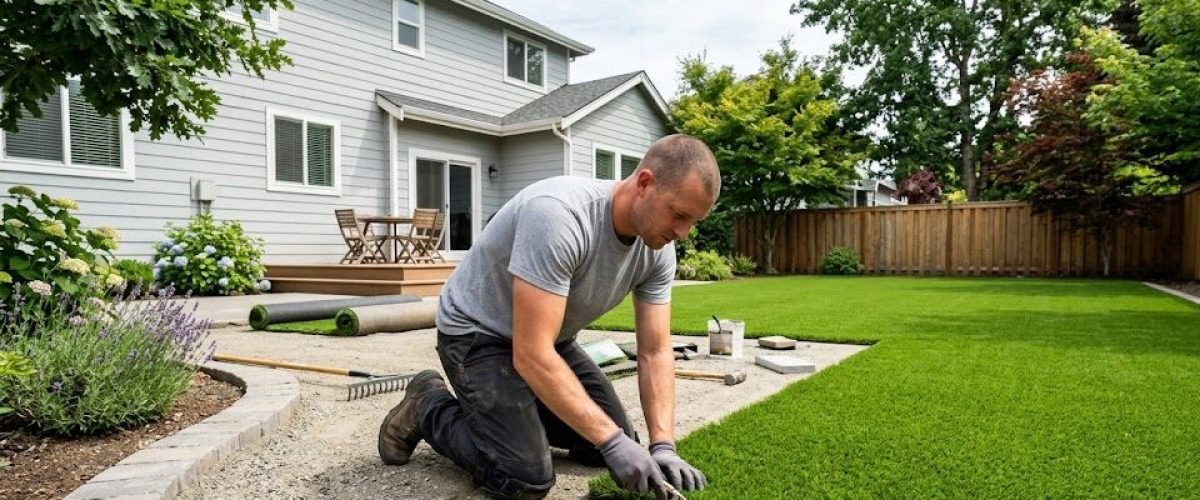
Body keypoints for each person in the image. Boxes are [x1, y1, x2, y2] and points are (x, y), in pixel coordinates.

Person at [377, 134, 721, 499]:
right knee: (524, 477)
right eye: (679, 215)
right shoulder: (558, 215)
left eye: (692, 221)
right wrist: (610, 438)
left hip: (548, 340)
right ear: (645, 183)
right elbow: (531, 354)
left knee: (607, 447)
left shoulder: (658, 250)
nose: (682, 233)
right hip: (477, 335)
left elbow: (654, 351)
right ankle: (428, 405)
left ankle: (515, 415)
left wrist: (663, 444)